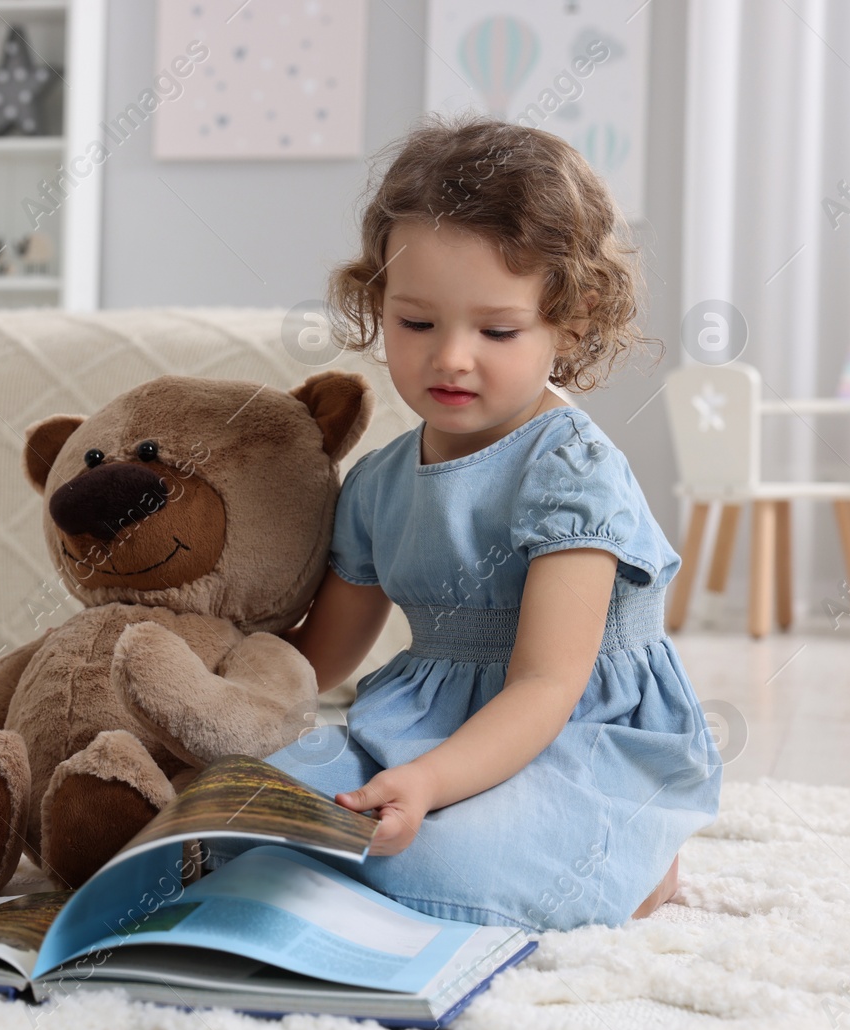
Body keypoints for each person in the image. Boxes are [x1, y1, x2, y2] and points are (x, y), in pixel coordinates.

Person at [272, 114, 722, 932]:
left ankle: (633, 851)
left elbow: (548, 684)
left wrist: (433, 784)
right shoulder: (378, 483)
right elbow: (320, 657)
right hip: (425, 727)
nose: (450, 356)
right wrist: (218, 698)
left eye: (498, 330)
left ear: (572, 320)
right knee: (264, 795)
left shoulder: (570, 474)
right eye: (417, 323)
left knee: (434, 860)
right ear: (379, 306)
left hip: (570, 735)